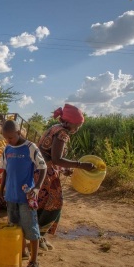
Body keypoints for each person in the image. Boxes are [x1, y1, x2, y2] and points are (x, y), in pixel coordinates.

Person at [35, 104, 95, 251]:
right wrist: (81, 165)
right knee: (55, 204)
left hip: (38, 170)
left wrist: (64, 169)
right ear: (69, 122)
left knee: (41, 204)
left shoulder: (54, 128)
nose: (78, 128)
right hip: (45, 173)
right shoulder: (62, 133)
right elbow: (56, 159)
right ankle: (37, 237)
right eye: (78, 125)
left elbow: (50, 155)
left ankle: (38, 237)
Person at [0, 120, 47, 267]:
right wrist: (1, 192)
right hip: (11, 196)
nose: (8, 141)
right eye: (6, 138)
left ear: (19, 133)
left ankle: (34, 263)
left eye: (11, 137)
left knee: (31, 229)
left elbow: (43, 167)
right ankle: (22, 252)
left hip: (27, 197)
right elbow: (5, 171)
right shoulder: (7, 149)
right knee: (16, 227)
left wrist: (37, 187)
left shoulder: (30, 147)